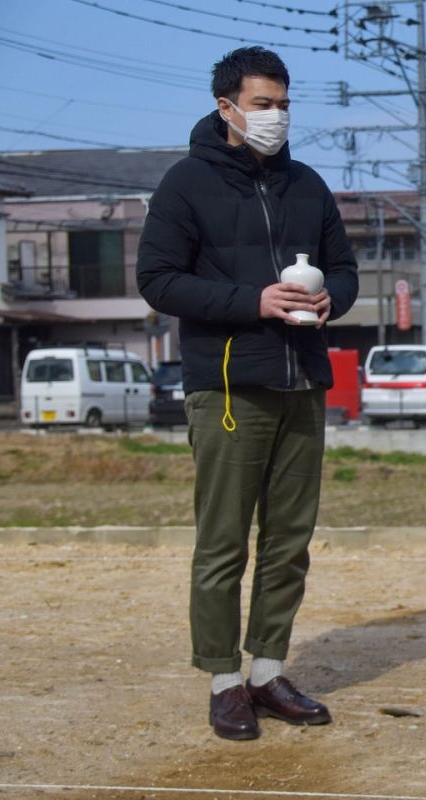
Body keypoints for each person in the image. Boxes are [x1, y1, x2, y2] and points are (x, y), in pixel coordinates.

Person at [137, 46, 359, 740]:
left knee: (290, 540)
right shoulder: (185, 185)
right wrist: (251, 301)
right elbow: (158, 279)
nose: (276, 117)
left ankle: (267, 669)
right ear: (226, 107)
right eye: (263, 104)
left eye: (284, 104)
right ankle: (223, 679)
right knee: (224, 542)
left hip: (301, 381)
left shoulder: (307, 186)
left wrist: (333, 304)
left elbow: (345, 270)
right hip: (229, 387)